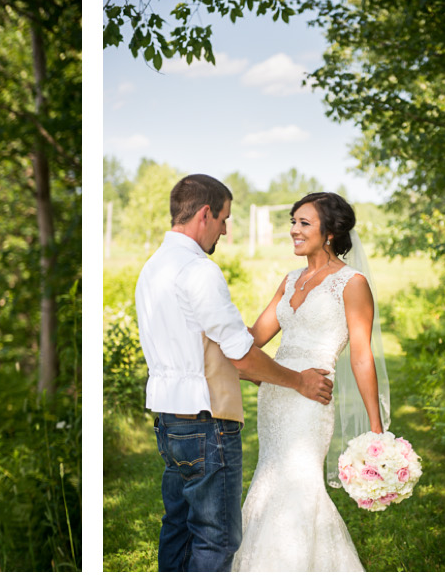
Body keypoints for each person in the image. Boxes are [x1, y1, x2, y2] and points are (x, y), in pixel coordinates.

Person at [134, 174, 333, 571]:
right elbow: (240, 355)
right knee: (216, 538)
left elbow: (205, 346)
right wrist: (299, 380)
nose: (225, 230)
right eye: (224, 219)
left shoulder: (152, 268)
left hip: (169, 422)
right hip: (207, 423)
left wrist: (258, 369)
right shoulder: (199, 270)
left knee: (177, 527)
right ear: (205, 214)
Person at [232, 192, 387, 571]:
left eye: (304, 223)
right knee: (270, 477)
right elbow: (255, 339)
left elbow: (362, 355)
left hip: (312, 398)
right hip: (276, 395)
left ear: (330, 232)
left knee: (299, 482)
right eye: (293, 222)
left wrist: (376, 428)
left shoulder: (352, 283)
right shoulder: (289, 280)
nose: (294, 231)